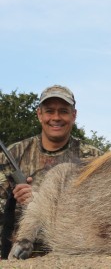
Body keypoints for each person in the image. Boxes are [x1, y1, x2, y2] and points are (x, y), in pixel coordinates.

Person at [0, 85, 102, 258]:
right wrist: (14, 199)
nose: (56, 118)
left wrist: (42, 201)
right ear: (39, 114)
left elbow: (100, 209)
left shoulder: (94, 158)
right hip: (16, 251)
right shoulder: (13, 154)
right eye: (49, 111)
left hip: (72, 252)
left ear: (73, 115)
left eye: (63, 111)